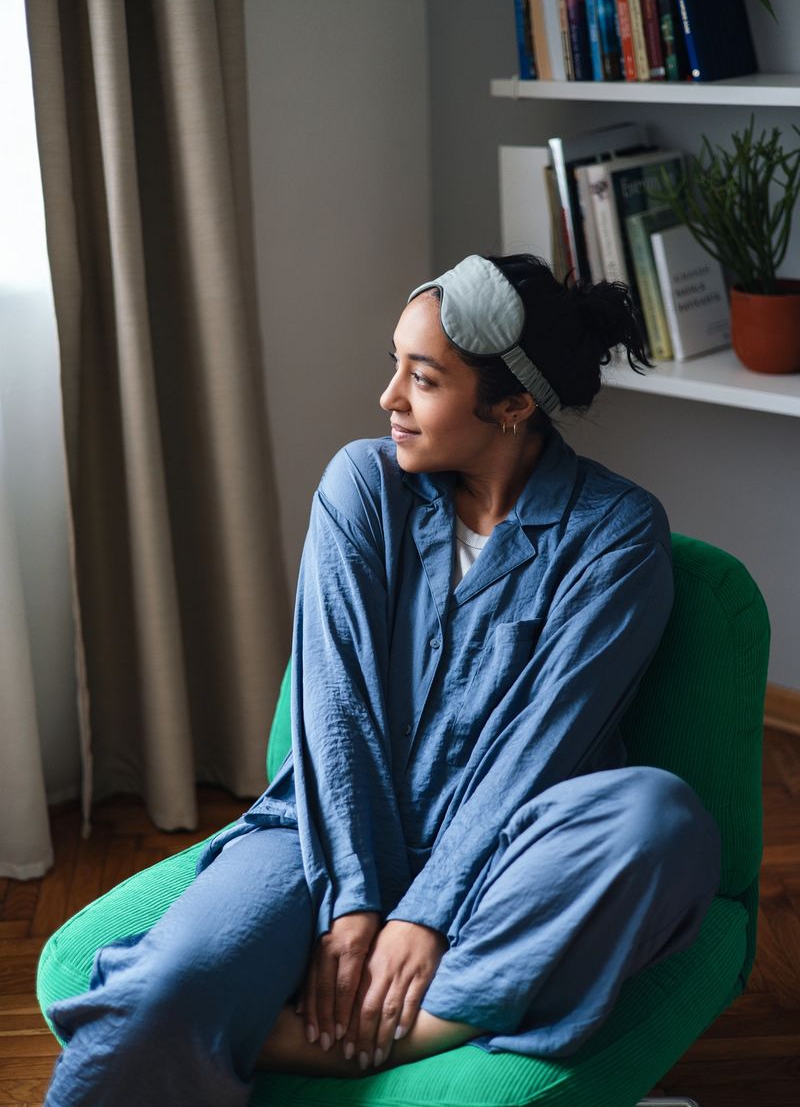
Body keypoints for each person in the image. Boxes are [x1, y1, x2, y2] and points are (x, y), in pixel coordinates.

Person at [42, 253, 722, 1107]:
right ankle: (384, 1016)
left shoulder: (616, 534)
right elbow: (336, 716)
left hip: (508, 851)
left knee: (659, 820)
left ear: (512, 405)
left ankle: (364, 1035)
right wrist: (358, 903)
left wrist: (424, 915)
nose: (388, 396)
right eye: (394, 363)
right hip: (319, 835)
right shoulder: (362, 486)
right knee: (172, 979)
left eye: (423, 377)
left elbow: (539, 753)